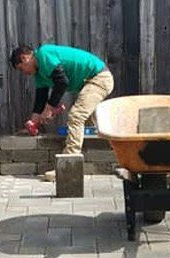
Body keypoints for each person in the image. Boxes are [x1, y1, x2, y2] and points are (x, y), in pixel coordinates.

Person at [10, 44, 114, 181]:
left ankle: (68, 166)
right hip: (90, 82)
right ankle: (116, 158)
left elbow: (62, 82)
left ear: (25, 58)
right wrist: (33, 122)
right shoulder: (39, 73)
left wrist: (49, 108)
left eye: (21, 69)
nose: (24, 73)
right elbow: (40, 99)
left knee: (76, 117)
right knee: (95, 126)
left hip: (99, 78)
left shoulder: (43, 54)